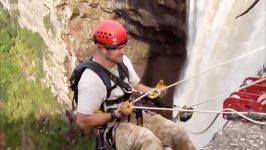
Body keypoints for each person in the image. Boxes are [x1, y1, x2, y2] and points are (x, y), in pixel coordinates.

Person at [75, 20, 195, 150]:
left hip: (133, 114)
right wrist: (115, 113)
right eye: (117, 47)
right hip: (112, 127)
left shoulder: (122, 61)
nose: (122, 51)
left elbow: (135, 85)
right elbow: (83, 121)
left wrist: (152, 91)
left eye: (123, 45)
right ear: (102, 48)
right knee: (149, 142)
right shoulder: (91, 81)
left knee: (176, 133)